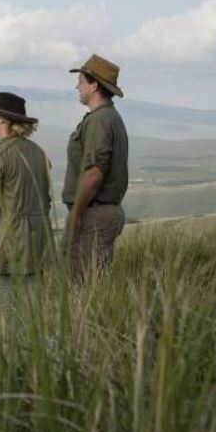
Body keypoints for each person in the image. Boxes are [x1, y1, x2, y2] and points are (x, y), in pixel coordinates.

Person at [0, 92, 54, 316]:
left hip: (1, 256)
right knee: (31, 325)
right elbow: (46, 202)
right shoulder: (38, 154)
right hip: (36, 252)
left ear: (3, 120)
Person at [62, 54, 129, 281]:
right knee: (94, 286)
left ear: (94, 85)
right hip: (100, 213)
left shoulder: (100, 121)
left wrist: (77, 214)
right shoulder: (108, 117)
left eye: (81, 82)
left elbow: (94, 174)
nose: (77, 87)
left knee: (78, 286)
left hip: (93, 214)